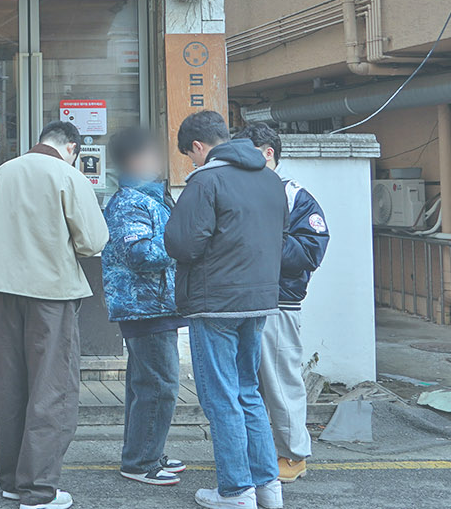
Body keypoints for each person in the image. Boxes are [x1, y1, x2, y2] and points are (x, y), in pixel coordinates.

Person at [0, 121, 110, 509]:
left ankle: (13, 482)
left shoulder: (0, 175)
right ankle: (39, 489)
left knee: (10, 387)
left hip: (4, 295)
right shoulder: (68, 175)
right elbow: (92, 241)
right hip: (52, 296)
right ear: (72, 148)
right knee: (52, 389)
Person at [165, 110, 288, 509]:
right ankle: (267, 487)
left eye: (190, 155)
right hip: (259, 300)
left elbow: (182, 244)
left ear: (198, 146)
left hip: (214, 301)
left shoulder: (206, 181)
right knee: (248, 391)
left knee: (222, 397)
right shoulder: (270, 179)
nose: (191, 162)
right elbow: (281, 236)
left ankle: (235, 491)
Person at [237, 124, 330, 484]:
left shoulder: (294, 195)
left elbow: (310, 251)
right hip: (240, 300)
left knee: (280, 382)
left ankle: (292, 455)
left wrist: (264, 238)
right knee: (249, 385)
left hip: (279, 301)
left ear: (268, 153)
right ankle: (259, 455)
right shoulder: (240, 188)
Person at [100, 127, 187, 488]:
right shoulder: (130, 202)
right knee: (159, 386)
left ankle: (145, 452)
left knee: (146, 386)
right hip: (145, 307)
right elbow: (138, 253)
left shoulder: (150, 197)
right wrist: (182, 243)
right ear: (135, 160)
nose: (159, 160)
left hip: (156, 306)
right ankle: (141, 462)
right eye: (152, 153)